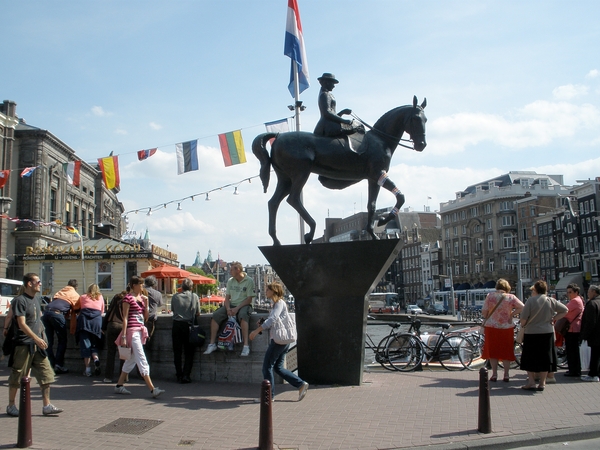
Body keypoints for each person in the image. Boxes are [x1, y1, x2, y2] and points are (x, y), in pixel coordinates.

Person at [6, 273, 63, 417]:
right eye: (38, 281)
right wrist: (36, 338)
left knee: (46, 374)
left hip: (37, 346)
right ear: (29, 284)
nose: (40, 284)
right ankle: (11, 405)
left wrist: (42, 337)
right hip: (24, 344)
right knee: (17, 374)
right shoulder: (20, 301)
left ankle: (47, 405)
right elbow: (21, 324)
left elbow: (39, 322)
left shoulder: (36, 300)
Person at [249, 282, 308, 401]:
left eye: (268, 289)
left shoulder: (279, 303)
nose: (266, 291)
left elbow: (273, 319)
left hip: (278, 341)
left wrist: (256, 331)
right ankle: (300, 384)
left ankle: (268, 396)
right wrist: (263, 323)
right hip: (283, 339)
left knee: (266, 367)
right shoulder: (277, 304)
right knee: (278, 367)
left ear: (274, 291)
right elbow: (275, 320)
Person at [114, 276, 164, 398]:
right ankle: (152, 389)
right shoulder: (128, 298)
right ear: (134, 285)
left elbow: (145, 317)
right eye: (140, 284)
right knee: (141, 358)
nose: (142, 287)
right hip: (132, 331)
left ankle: (119, 385)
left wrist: (146, 304)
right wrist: (124, 335)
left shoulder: (141, 298)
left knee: (130, 359)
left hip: (140, 330)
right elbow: (125, 318)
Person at [519, 280, 568, 391]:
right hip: (547, 332)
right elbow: (565, 310)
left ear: (535, 290)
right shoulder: (550, 300)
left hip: (531, 333)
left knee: (530, 357)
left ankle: (531, 382)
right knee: (545, 357)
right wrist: (553, 318)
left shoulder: (530, 301)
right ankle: (543, 382)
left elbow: (523, 320)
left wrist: (526, 323)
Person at [204, 262, 255, 357]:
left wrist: (236, 309)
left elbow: (249, 299)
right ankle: (212, 344)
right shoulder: (231, 281)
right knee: (216, 316)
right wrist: (228, 308)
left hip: (244, 305)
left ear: (238, 270)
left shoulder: (249, 281)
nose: (229, 271)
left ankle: (246, 346)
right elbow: (227, 298)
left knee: (243, 316)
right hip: (232, 304)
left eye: (231, 270)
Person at [481, 278, 524, 382]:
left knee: (493, 352)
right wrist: (511, 314)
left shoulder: (490, 296)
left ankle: (494, 374)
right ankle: (506, 375)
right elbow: (522, 306)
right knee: (506, 351)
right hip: (506, 328)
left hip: (491, 327)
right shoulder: (511, 297)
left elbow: (484, 312)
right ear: (507, 287)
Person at [41, 279, 80, 373]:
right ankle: (58, 365)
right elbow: (78, 309)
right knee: (62, 340)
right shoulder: (75, 295)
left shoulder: (61, 291)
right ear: (76, 287)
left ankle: (49, 364)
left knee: (48, 341)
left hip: (46, 313)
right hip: (57, 314)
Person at [313, 73, 362, 138]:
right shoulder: (325, 95)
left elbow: (332, 115)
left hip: (329, 123)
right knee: (358, 127)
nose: (334, 86)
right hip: (327, 126)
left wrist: (343, 112)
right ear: (327, 83)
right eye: (332, 83)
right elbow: (327, 113)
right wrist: (344, 120)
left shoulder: (327, 94)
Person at [171, 278, 201, 383]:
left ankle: (178, 374)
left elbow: (173, 310)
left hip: (177, 325)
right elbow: (198, 313)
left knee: (177, 351)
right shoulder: (194, 296)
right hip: (189, 326)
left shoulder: (175, 297)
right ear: (191, 287)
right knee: (189, 352)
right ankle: (186, 375)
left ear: (181, 287)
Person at [75, 284, 104, 377]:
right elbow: (102, 311)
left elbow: (77, 308)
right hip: (96, 321)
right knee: (94, 343)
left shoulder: (83, 297)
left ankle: (87, 369)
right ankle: (96, 359)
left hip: (84, 321)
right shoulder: (100, 297)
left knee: (85, 344)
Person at [102, 291, 126, 383]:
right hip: (122, 326)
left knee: (111, 352)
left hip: (112, 324)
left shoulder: (116, 297)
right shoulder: (129, 299)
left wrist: (103, 327)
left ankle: (108, 376)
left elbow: (108, 312)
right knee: (123, 352)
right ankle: (123, 376)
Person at [562, 283, 585, 377]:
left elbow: (564, 310)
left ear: (576, 292)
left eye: (570, 292)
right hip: (574, 328)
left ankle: (574, 370)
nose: (568, 294)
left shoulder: (575, 301)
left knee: (572, 350)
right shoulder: (579, 300)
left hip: (572, 329)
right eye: (567, 292)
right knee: (573, 350)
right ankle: (574, 369)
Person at [580, 284, 600, 382]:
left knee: (594, 354)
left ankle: (593, 374)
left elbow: (590, 322)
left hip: (595, 334)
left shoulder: (592, 304)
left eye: (589, 292)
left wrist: (584, 335)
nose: (588, 294)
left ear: (594, 292)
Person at [143, 275, 164, 343]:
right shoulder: (158, 293)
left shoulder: (141, 291)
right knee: (148, 340)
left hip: (140, 318)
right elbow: (160, 304)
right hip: (151, 318)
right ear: (154, 284)